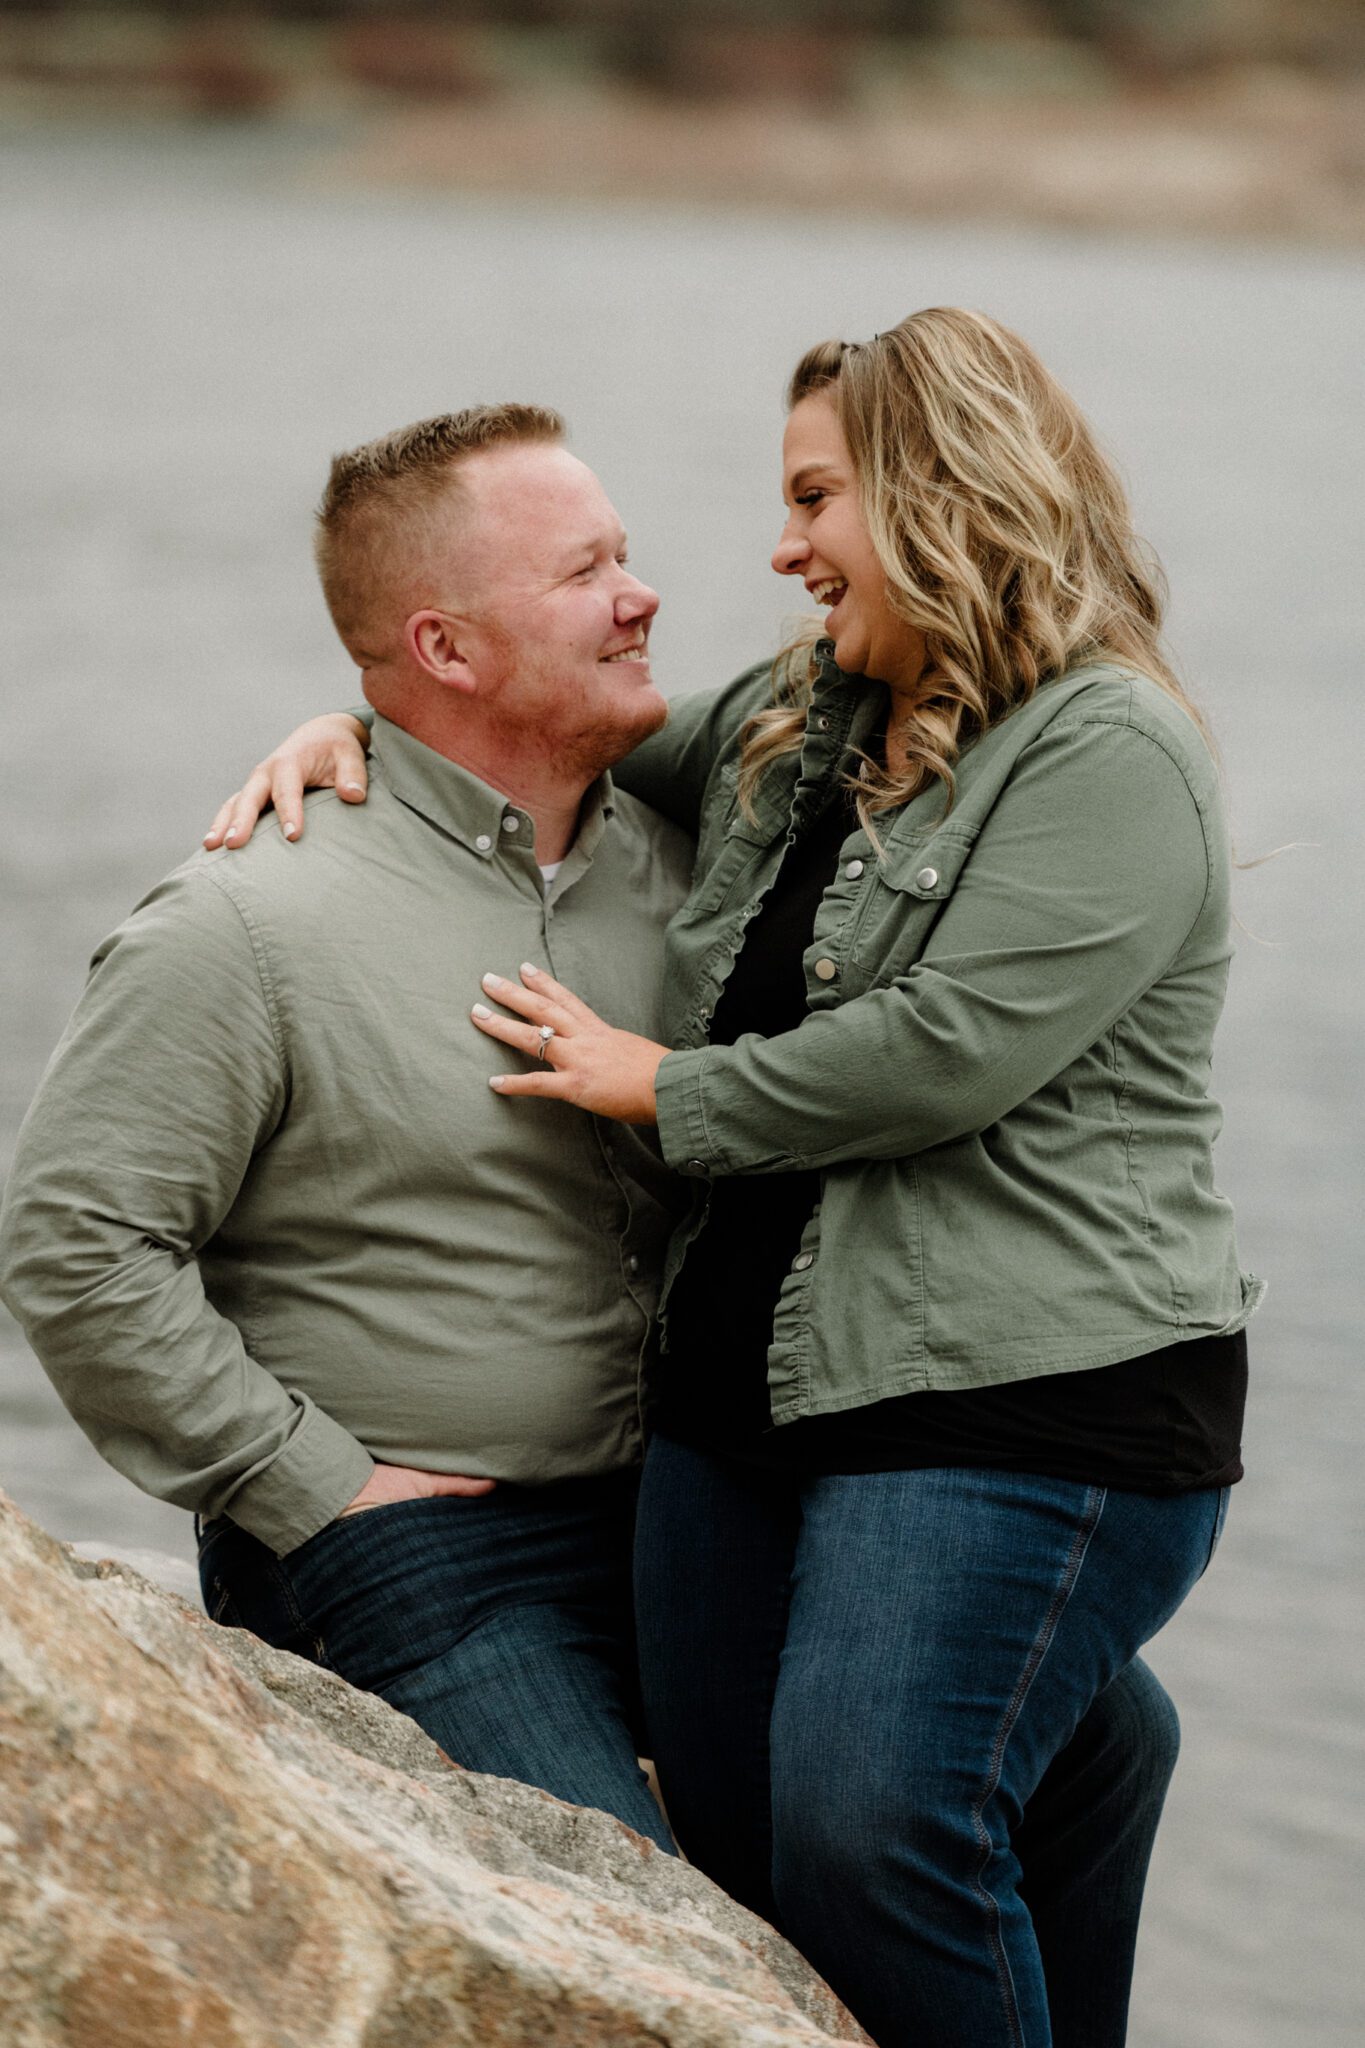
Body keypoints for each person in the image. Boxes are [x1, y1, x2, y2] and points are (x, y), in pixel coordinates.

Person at [218, 310, 1258, 2048]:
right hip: (748, 1397)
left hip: (1022, 1397)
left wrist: (659, 1087)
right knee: (748, 1863)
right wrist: (354, 722)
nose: (777, 548)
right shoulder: (802, 713)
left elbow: (942, 1055)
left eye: (813, 497)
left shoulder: (1104, 753)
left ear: (942, 493)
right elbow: (542, 723)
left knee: (870, 1836)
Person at [0, 402, 694, 1851]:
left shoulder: (698, 874)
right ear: (444, 648)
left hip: (695, 1517)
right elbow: (75, 1241)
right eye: (584, 573)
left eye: (624, 555)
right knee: (618, 1893)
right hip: (411, 1546)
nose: (640, 596)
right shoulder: (249, 919)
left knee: (1073, 1752)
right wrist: (318, 1488)